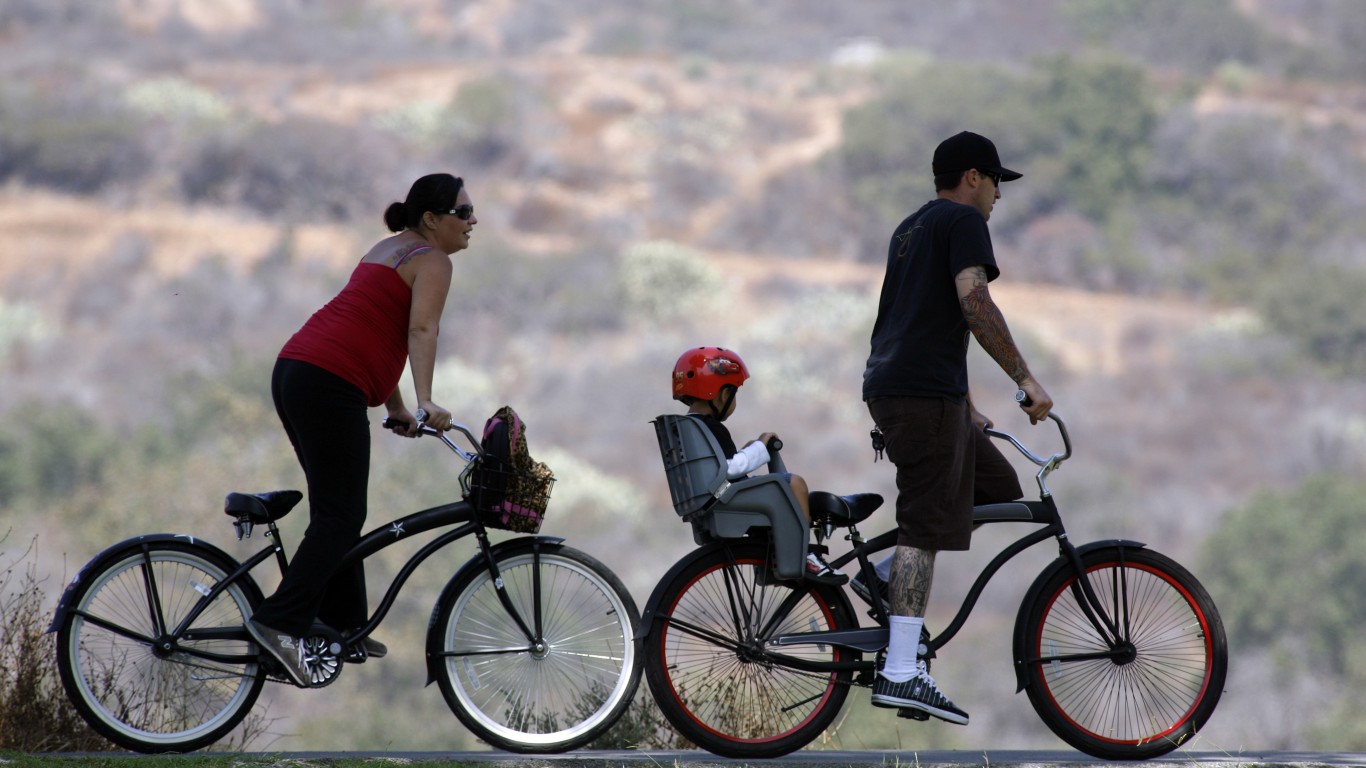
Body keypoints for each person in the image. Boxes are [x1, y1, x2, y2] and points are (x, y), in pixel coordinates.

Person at [245, 173, 476, 687]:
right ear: (432, 220)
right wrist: (425, 401)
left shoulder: (390, 247)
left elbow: (376, 331)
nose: (472, 221)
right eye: (463, 213)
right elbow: (420, 329)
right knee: (342, 515)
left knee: (338, 512)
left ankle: (340, 622)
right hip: (328, 381)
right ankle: (278, 622)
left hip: (298, 369)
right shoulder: (432, 260)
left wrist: (395, 405)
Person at [860, 131, 1054, 724]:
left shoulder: (911, 228)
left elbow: (918, 319)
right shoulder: (964, 222)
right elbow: (975, 304)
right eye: (997, 182)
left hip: (909, 387)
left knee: (996, 484)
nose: (999, 195)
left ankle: (889, 579)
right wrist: (1027, 380)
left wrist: (966, 401)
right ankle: (899, 670)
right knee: (922, 525)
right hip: (919, 397)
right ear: (973, 176)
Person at [672, 346, 846, 586]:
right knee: (795, 484)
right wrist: (761, 447)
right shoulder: (710, 427)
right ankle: (804, 554)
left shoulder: (689, 428)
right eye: (733, 393)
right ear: (721, 395)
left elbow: (721, 465)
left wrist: (750, 450)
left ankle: (774, 558)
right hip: (725, 497)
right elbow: (730, 469)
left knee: (778, 488)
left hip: (713, 496)